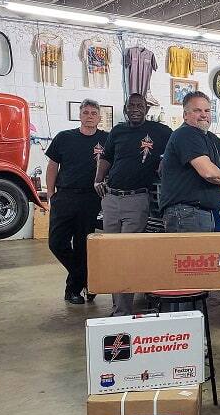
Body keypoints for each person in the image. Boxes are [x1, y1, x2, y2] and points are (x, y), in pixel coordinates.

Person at [94, 93, 172, 316]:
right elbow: (107, 158)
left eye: (140, 105)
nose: (135, 108)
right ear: (126, 108)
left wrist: (164, 162)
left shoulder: (160, 131)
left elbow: (179, 144)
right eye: (131, 105)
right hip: (110, 199)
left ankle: (122, 311)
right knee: (112, 255)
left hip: (137, 200)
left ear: (147, 108)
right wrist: (98, 179)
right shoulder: (117, 131)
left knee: (127, 256)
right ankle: (118, 306)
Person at [45, 98, 108, 305]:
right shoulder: (64, 138)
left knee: (83, 246)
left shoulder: (107, 140)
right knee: (56, 243)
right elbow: (53, 166)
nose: (89, 116)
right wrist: (51, 194)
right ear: (79, 115)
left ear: (99, 117)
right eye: (85, 112)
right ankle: (86, 278)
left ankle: (72, 290)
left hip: (90, 199)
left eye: (93, 113)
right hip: (64, 196)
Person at [159, 91, 220, 231]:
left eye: (207, 110)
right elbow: (209, 173)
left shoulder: (206, 136)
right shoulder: (186, 134)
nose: (204, 115)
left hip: (195, 214)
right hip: (186, 214)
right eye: (197, 110)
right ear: (185, 115)